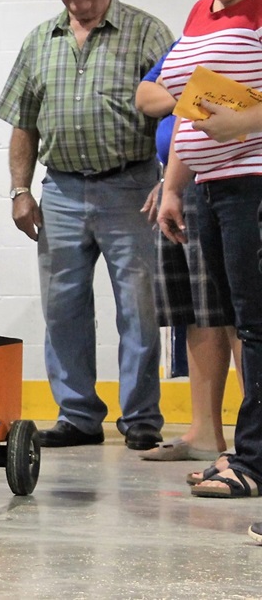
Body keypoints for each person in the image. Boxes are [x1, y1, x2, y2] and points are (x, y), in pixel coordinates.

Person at [0, 0, 173, 449]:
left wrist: (170, 181)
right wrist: (20, 190)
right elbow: (23, 123)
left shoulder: (148, 32)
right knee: (63, 309)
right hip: (61, 191)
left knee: (138, 308)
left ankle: (140, 418)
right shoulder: (40, 40)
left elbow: (177, 112)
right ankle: (77, 416)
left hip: (132, 188)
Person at [155, 0, 262, 504]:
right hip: (212, 186)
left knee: (257, 326)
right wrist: (174, 185)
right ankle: (248, 451)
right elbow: (190, 106)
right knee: (240, 324)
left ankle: (255, 460)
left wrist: (245, 120)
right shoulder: (203, 11)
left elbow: (236, 115)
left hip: (255, 181)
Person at [135, 47, 242, 462]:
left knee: (239, 316)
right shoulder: (193, 35)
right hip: (182, 183)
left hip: (230, 179)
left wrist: (183, 92)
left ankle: (253, 443)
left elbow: (215, 98)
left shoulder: (238, 36)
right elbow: (145, 97)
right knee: (198, 313)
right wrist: (172, 185)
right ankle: (204, 434)